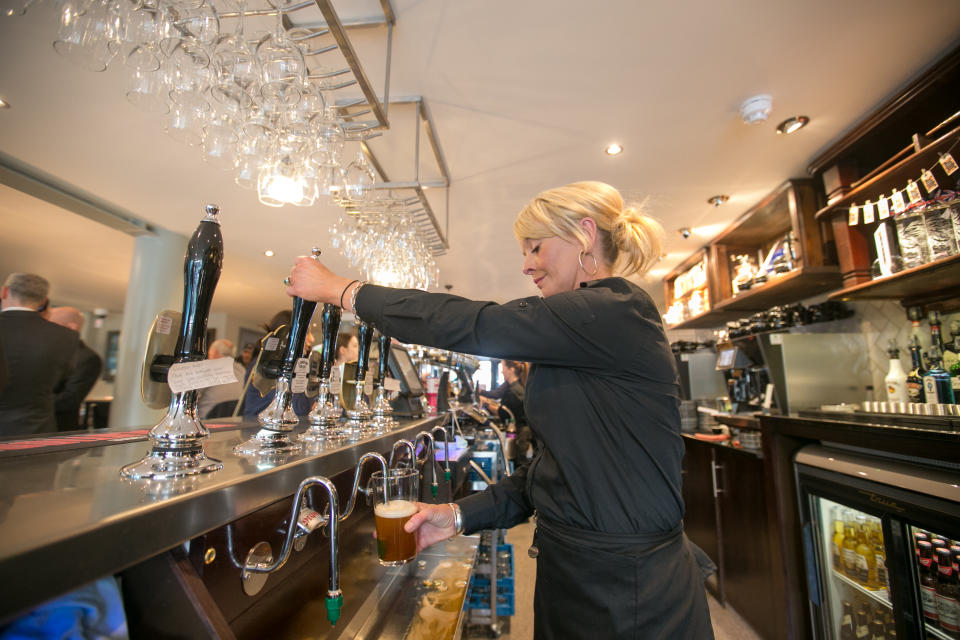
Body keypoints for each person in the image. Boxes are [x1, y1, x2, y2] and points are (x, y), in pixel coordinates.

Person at [284, 181, 714, 638]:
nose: (526, 264)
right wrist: (456, 515)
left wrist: (344, 291)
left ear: (584, 234)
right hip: (573, 574)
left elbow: (476, 322)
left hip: (629, 590)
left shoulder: (617, 311)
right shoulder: (577, 342)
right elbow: (550, 473)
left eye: (535, 247)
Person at [0, 274, 79, 437]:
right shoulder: (65, 336)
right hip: (36, 431)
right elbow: (63, 380)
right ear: (44, 301)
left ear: (4, 292)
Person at [242, 310, 314, 418]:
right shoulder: (269, 365)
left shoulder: (289, 366)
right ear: (289, 335)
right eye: (307, 332)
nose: (312, 339)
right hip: (256, 428)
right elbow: (298, 408)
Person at [46, 307, 104, 431]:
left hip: (57, 430)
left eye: (51, 324)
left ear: (71, 327)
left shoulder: (87, 358)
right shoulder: (46, 351)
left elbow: (70, 399)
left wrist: (27, 402)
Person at [197, 339, 247, 419]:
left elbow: (193, 394)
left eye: (209, 354)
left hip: (208, 420)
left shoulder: (210, 368)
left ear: (215, 353)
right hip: (233, 420)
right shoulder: (242, 370)